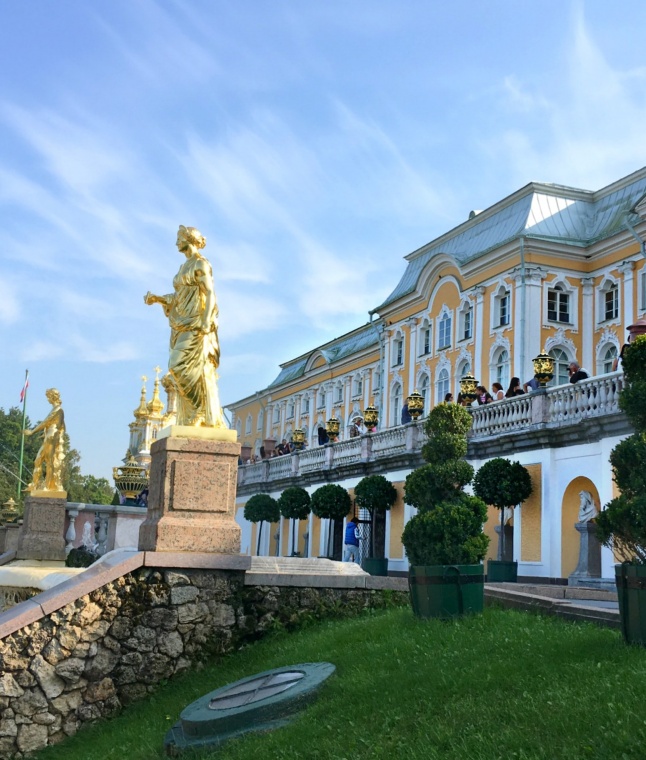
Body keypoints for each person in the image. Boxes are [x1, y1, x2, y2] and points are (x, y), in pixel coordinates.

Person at [145, 225, 226, 428]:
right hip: (182, 324)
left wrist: (207, 320)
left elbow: (209, 293)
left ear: (188, 239)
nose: (176, 242)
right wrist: (158, 299)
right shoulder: (183, 267)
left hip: (197, 324)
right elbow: (180, 297)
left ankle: (200, 411)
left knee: (179, 366)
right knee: (178, 368)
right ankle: (194, 413)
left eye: (179, 238)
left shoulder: (201, 264)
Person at [24, 388, 66, 492]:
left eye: (48, 397)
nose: (48, 399)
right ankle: (34, 485)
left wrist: (32, 431)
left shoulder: (58, 409)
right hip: (49, 436)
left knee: (49, 461)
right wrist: (45, 434)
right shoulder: (56, 409)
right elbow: (62, 426)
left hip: (52, 436)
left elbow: (45, 422)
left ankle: (47, 486)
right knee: (38, 460)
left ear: (53, 397)